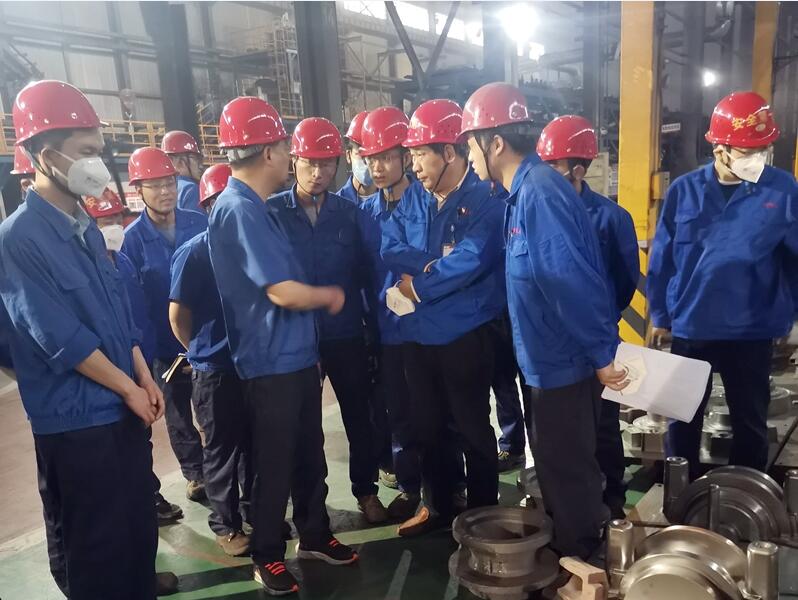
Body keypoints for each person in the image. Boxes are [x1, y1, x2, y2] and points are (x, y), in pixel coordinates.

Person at [0, 79, 162, 599]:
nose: (98, 163)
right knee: (97, 549)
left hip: (121, 408)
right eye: (86, 151)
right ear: (47, 156)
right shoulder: (19, 239)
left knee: (138, 531)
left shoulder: (85, 225)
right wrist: (129, 388)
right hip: (76, 422)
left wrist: (142, 374)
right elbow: (58, 337)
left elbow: (117, 311)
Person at [460, 82, 628, 559]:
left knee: (567, 472)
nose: (468, 155)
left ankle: (581, 562)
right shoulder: (521, 194)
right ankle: (571, 554)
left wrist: (600, 356)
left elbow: (569, 281)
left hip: (564, 366)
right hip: (546, 363)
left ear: (495, 143)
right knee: (556, 468)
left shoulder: (538, 194)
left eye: (469, 144)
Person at [208, 96, 357, 596]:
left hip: (295, 357)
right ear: (271, 152)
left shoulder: (256, 207)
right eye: (286, 148)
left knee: (309, 452)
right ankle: (267, 552)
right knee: (273, 463)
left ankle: (314, 533)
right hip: (268, 362)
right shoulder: (239, 210)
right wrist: (330, 296)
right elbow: (281, 291)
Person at [648, 91, 798, 476]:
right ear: (719, 148)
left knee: (750, 423)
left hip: (752, 329)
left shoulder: (782, 191)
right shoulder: (684, 191)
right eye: (748, 151)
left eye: (763, 149)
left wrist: (789, 317)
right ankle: (682, 495)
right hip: (691, 327)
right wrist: (660, 315)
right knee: (682, 420)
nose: (757, 159)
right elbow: (663, 257)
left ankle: (744, 494)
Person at [379, 99, 505, 535]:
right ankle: (438, 505)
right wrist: (432, 266)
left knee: (472, 429)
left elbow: (472, 260)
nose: (412, 166)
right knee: (428, 428)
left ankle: (483, 514)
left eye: (419, 155)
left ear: (449, 152)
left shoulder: (485, 201)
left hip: (465, 337)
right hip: (417, 335)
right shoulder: (415, 196)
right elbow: (389, 245)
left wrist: (419, 285)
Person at [268, 117, 387, 524]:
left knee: (359, 416)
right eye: (310, 163)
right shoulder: (273, 213)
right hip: (296, 338)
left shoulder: (350, 215)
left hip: (345, 334)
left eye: (327, 164)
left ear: (338, 164)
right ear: (294, 161)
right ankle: (308, 504)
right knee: (303, 425)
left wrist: (372, 330)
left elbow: (367, 275)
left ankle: (366, 490)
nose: (318, 173)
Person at [537, 114, 639, 518]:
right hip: (552, 344)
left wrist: (600, 321)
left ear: (578, 170)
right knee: (557, 432)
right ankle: (565, 506)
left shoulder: (611, 218)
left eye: (554, 167)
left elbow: (625, 280)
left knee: (603, 426)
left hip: (597, 341)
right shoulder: (537, 211)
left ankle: (611, 498)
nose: (545, 175)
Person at [84, 188, 184, 526]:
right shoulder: (88, 269)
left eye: (115, 217)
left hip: (142, 359)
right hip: (110, 371)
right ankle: (132, 502)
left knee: (141, 435)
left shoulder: (122, 261)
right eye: (103, 221)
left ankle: (148, 494)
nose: (112, 226)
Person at [169, 162, 254, 556]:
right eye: (219, 202)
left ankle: (254, 512)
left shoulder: (254, 250)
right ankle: (226, 525)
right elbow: (178, 317)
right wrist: (203, 351)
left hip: (252, 366)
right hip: (216, 372)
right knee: (221, 451)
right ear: (206, 207)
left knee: (253, 446)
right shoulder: (194, 254)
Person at [121, 146, 208, 502]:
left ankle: (222, 466)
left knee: (212, 407)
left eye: (169, 183)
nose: (165, 191)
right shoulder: (132, 240)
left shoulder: (198, 222)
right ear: (138, 190)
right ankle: (196, 473)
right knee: (177, 411)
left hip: (204, 338)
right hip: (163, 345)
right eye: (155, 185)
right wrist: (145, 351)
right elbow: (134, 301)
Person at [357, 106, 425, 524]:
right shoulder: (365, 213)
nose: (377, 167)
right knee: (398, 412)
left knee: (436, 413)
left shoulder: (428, 205)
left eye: (385, 157)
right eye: (371, 159)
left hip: (428, 328)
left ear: (405, 156)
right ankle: (410, 486)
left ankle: (445, 485)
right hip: (387, 332)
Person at [338, 111, 377, 203]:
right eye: (360, 153)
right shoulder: (338, 205)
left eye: (372, 154)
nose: (366, 161)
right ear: (348, 155)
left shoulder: (394, 200)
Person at [162, 130, 205, 213]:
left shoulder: (165, 190)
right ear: (178, 161)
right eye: (194, 158)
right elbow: (197, 221)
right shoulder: (191, 189)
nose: (200, 166)